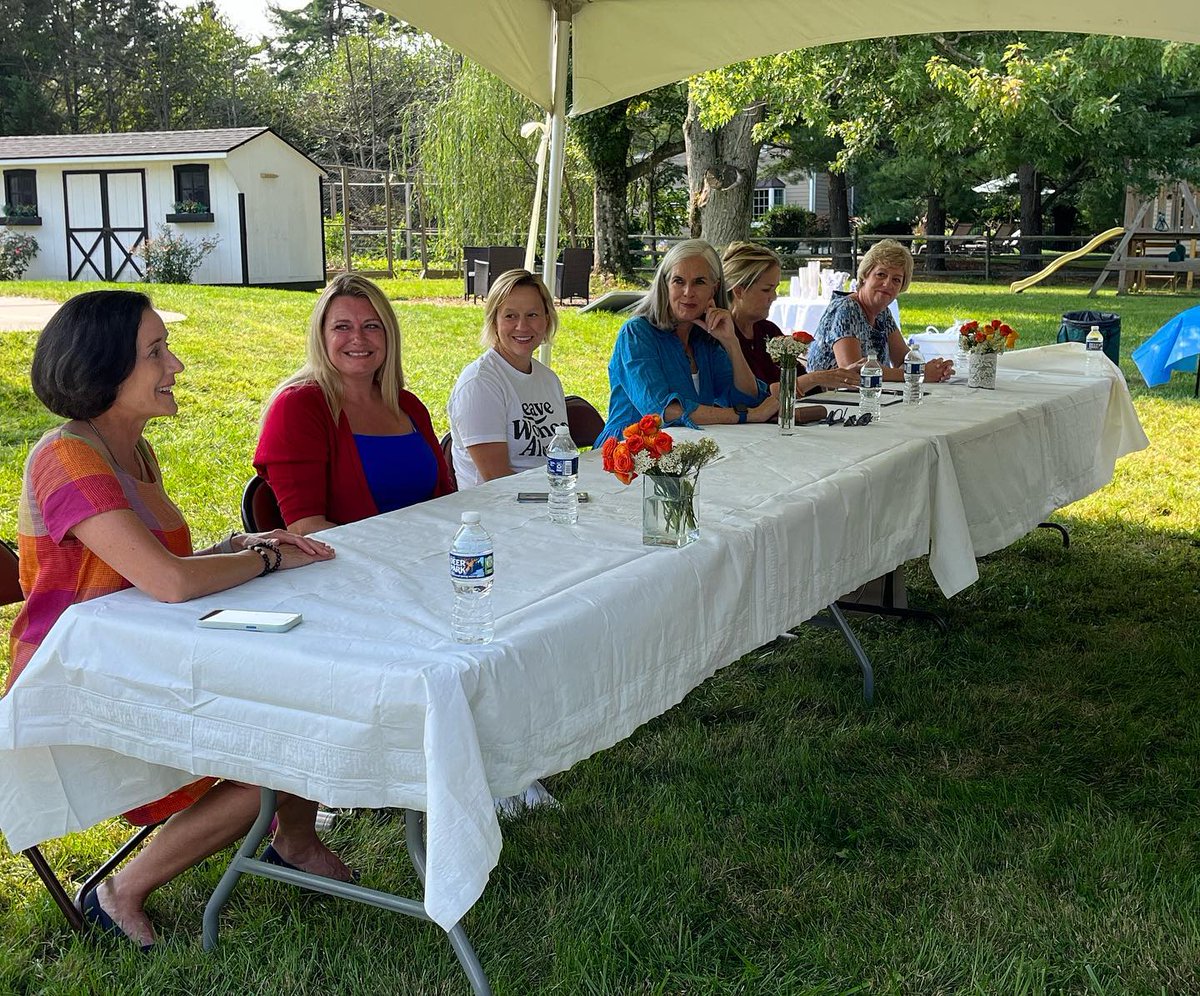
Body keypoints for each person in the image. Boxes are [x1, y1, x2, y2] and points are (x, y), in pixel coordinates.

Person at [7, 290, 350, 951]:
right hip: (73, 683)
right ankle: (119, 891)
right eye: (156, 352)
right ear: (101, 367)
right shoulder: (66, 455)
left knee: (311, 699)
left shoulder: (135, 452)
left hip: (139, 653)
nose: (178, 366)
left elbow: (154, 568)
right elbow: (167, 583)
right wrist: (269, 561)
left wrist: (239, 549)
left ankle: (295, 842)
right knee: (293, 738)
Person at [255, 273, 453, 534]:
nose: (358, 338)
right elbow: (306, 528)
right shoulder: (297, 408)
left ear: (388, 335)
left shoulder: (407, 405)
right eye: (342, 327)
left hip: (427, 556)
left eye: (372, 326)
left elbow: (445, 501)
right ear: (321, 336)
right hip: (349, 568)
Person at [594, 239, 777, 447]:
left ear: (713, 288)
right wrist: (746, 416)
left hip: (689, 450)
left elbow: (747, 398)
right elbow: (662, 411)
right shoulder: (636, 333)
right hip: (627, 454)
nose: (688, 292)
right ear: (665, 285)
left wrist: (731, 342)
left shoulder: (704, 339)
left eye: (699, 282)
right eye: (679, 281)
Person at [447, 269, 567, 489]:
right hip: (494, 512)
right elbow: (497, 479)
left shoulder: (548, 379)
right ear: (494, 321)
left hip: (548, 501)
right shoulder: (479, 383)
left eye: (533, 314)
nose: (522, 326)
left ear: (547, 319)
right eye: (510, 316)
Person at [805, 239, 954, 382]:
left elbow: (903, 359)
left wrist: (936, 369)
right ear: (865, 276)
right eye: (881, 275)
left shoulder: (882, 313)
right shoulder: (845, 309)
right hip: (826, 401)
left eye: (896, 280)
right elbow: (852, 373)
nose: (887, 284)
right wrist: (917, 374)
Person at [722, 241, 861, 392]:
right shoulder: (723, 336)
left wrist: (837, 376)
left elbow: (802, 380)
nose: (774, 297)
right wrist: (816, 378)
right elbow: (754, 395)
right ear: (739, 291)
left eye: (775, 289)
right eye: (766, 290)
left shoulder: (768, 331)